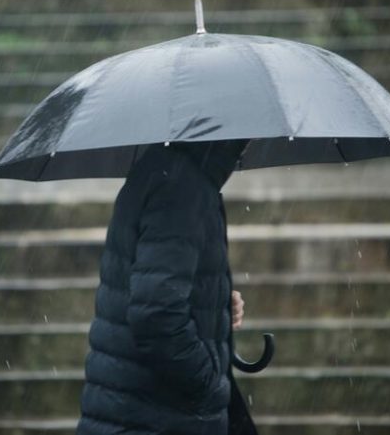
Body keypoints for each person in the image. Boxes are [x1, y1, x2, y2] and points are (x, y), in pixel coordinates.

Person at [76, 138, 257, 435]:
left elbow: (154, 284)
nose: (253, 139)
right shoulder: (182, 185)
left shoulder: (171, 169)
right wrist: (206, 387)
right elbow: (156, 314)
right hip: (156, 416)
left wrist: (216, 301)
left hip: (137, 411)